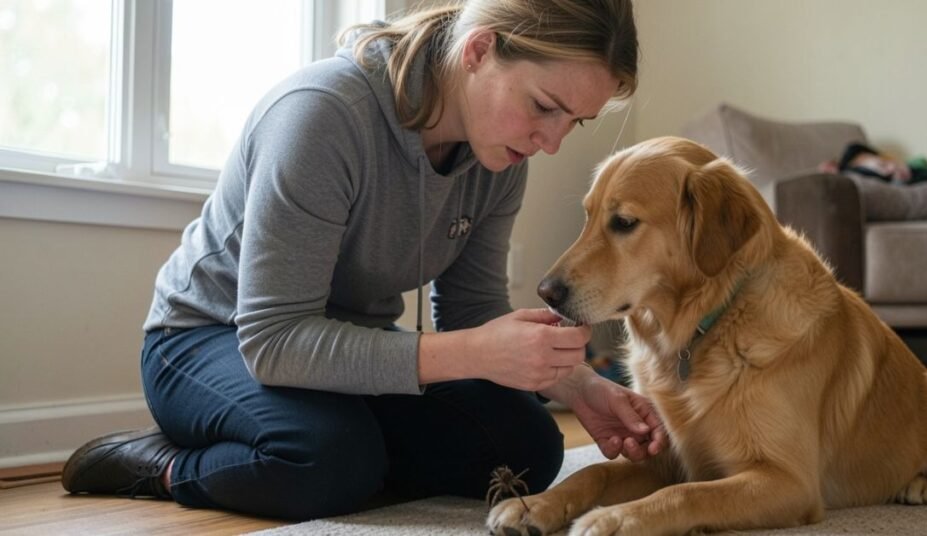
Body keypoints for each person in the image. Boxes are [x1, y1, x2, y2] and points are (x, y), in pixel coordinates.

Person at [61, 0, 666, 521]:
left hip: (345, 356)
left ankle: (328, 459)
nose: (552, 142)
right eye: (543, 106)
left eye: (574, 122)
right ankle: (166, 464)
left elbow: (471, 311)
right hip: (209, 339)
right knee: (329, 459)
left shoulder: (499, 160)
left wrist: (580, 386)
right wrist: (473, 355)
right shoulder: (323, 114)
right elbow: (274, 340)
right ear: (480, 50)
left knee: (528, 446)